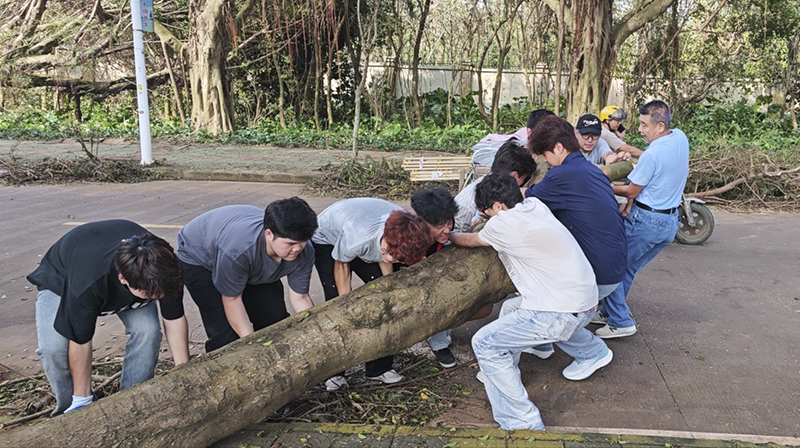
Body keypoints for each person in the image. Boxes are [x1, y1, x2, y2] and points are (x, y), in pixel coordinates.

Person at [449, 173, 612, 431]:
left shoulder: (502, 223)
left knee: (485, 343)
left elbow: (469, 240)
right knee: (512, 308)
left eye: (486, 211)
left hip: (560, 314)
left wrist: (448, 235)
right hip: (587, 302)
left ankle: (522, 422)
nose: (484, 216)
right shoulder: (535, 206)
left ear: (498, 206)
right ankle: (591, 351)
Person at [28, 220, 189, 415]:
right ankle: (72, 409)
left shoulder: (167, 270)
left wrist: (184, 372)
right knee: (52, 349)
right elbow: (80, 341)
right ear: (123, 280)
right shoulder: (88, 284)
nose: (157, 299)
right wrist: (81, 398)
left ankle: (132, 400)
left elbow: (174, 319)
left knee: (148, 331)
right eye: (150, 295)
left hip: (130, 274)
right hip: (62, 278)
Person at [522, 115, 628, 354]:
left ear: (559, 147)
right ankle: (541, 344)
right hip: (614, 264)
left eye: (545, 155)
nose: (545, 161)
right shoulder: (589, 168)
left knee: (544, 311)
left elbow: (525, 196)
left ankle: (592, 353)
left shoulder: (562, 175)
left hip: (599, 274)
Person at [312, 198, 432, 390]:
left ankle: (379, 369)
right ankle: (334, 374)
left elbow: (387, 262)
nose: (390, 259)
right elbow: (341, 264)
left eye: (396, 257)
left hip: (371, 234)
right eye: (387, 252)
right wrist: (345, 304)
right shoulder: (359, 238)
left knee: (385, 300)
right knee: (335, 302)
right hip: (328, 239)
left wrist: (388, 289)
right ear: (384, 238)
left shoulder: (406, 234)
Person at [596, 100, 689, 339]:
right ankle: (608, 312)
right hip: (669, 222)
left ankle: (621, 321)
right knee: (627, 268)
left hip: (646, 222)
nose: (639, 129)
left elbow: (630, 191)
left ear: (660, 127)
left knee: (614, 267)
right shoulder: (680, 137)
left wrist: (601, 184)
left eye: (644, 125)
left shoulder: (653, 155)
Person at [176, 198, 318, 352]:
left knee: (274, 319)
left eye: (302, 242)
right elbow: (232, 300)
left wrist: (316, 332)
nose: (297, 249)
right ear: (269, 234)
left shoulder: (305, 251)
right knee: (226, 335)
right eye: (290, 244)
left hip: (246, 255)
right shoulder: (238, 251)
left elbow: (300, 297)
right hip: (199, 255)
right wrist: (253, 347)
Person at [410, 186, 459, 368]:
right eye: (439, 227)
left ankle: (440, 339)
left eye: (449, 223)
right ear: (421, 222)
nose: (446, 230)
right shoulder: (410, 240)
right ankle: (437, 342)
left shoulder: (445, 237)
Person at [454, 140, 538, 232]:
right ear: (514, 175)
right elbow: (457, 232)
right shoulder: (477, 197)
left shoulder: (490, 183)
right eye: (524, 178)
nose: (523, 183)